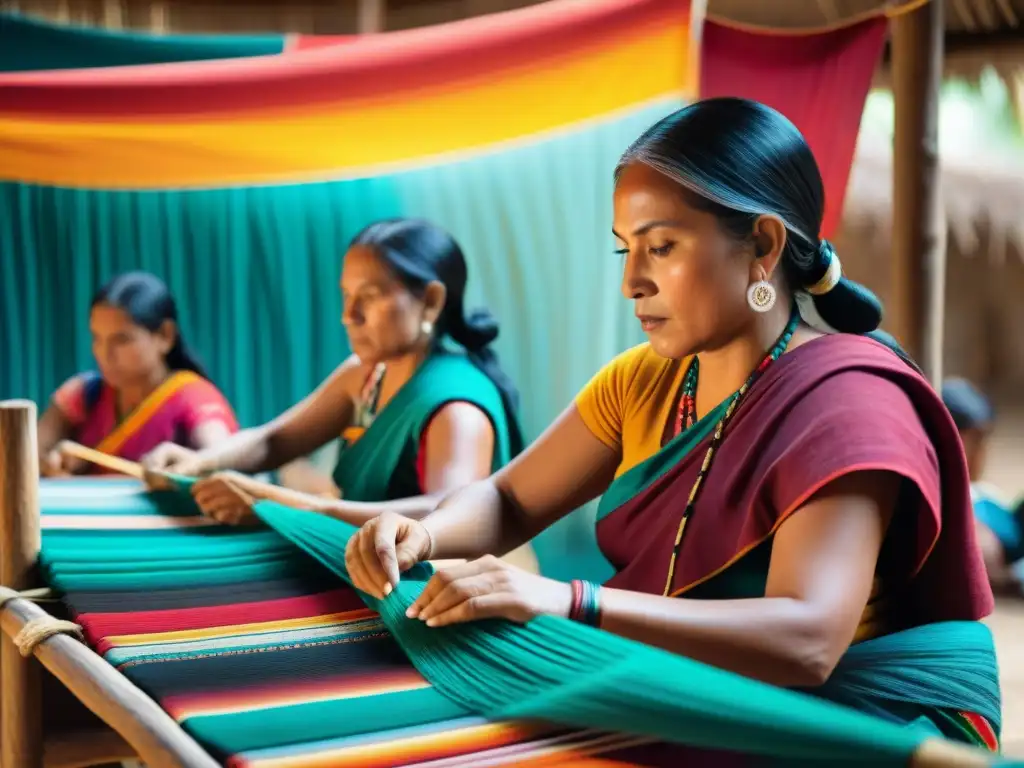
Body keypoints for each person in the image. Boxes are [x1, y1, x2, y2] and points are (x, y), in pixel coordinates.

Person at [345, 98, 1001, 761]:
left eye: (661, 247)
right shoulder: (643, 382)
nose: (632, 281)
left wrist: (569, 601)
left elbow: (808, 640)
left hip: (853, 718)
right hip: (703, 688)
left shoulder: (848, 402)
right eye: (625, 250)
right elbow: (509, 500)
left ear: (763, 248)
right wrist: (425, 533)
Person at [142, 218, 528, 542]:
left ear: (430, 300)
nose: (349, 314)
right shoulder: (367, 373)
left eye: (370, 297)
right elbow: (274, 440)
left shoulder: (457, 408)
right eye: (346, 295)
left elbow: (449, 516)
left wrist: (281, 506)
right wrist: (195, 464)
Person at [37, 271, 238, 477]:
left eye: (122, 340)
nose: (105, 354)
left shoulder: (195, 398)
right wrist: (49, 464)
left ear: (164, 335)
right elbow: (27, 457)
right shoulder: (82, 395)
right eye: (97, 338)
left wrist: (193, 465)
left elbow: (220, 462)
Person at [943, 377, 1023, 593]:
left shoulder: (983, 493)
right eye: (976, 440)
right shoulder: (950, 502)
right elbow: (985, 555)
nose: (982, 453)